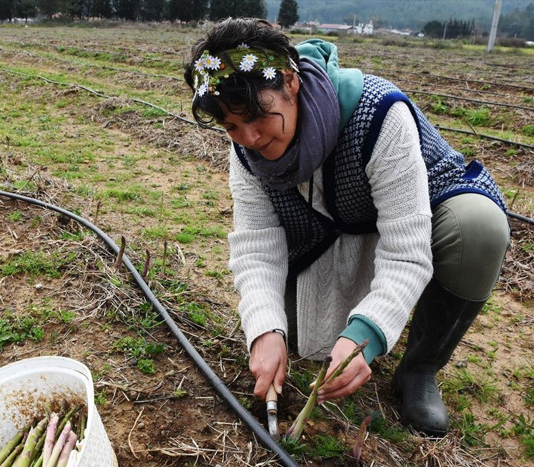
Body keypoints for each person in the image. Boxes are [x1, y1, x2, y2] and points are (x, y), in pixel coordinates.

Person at [184, 18, 510, 437]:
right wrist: (264, 328)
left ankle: (420, 369)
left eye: (257, 117)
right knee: (298, 342)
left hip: (420, 216)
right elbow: (256, 246)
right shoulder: (246, 148)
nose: (249, 137)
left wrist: (365, 335)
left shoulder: (378, 115)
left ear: (290, 81)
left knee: (478, 230)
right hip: (328, 231)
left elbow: (406, 248)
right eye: (231, 126)